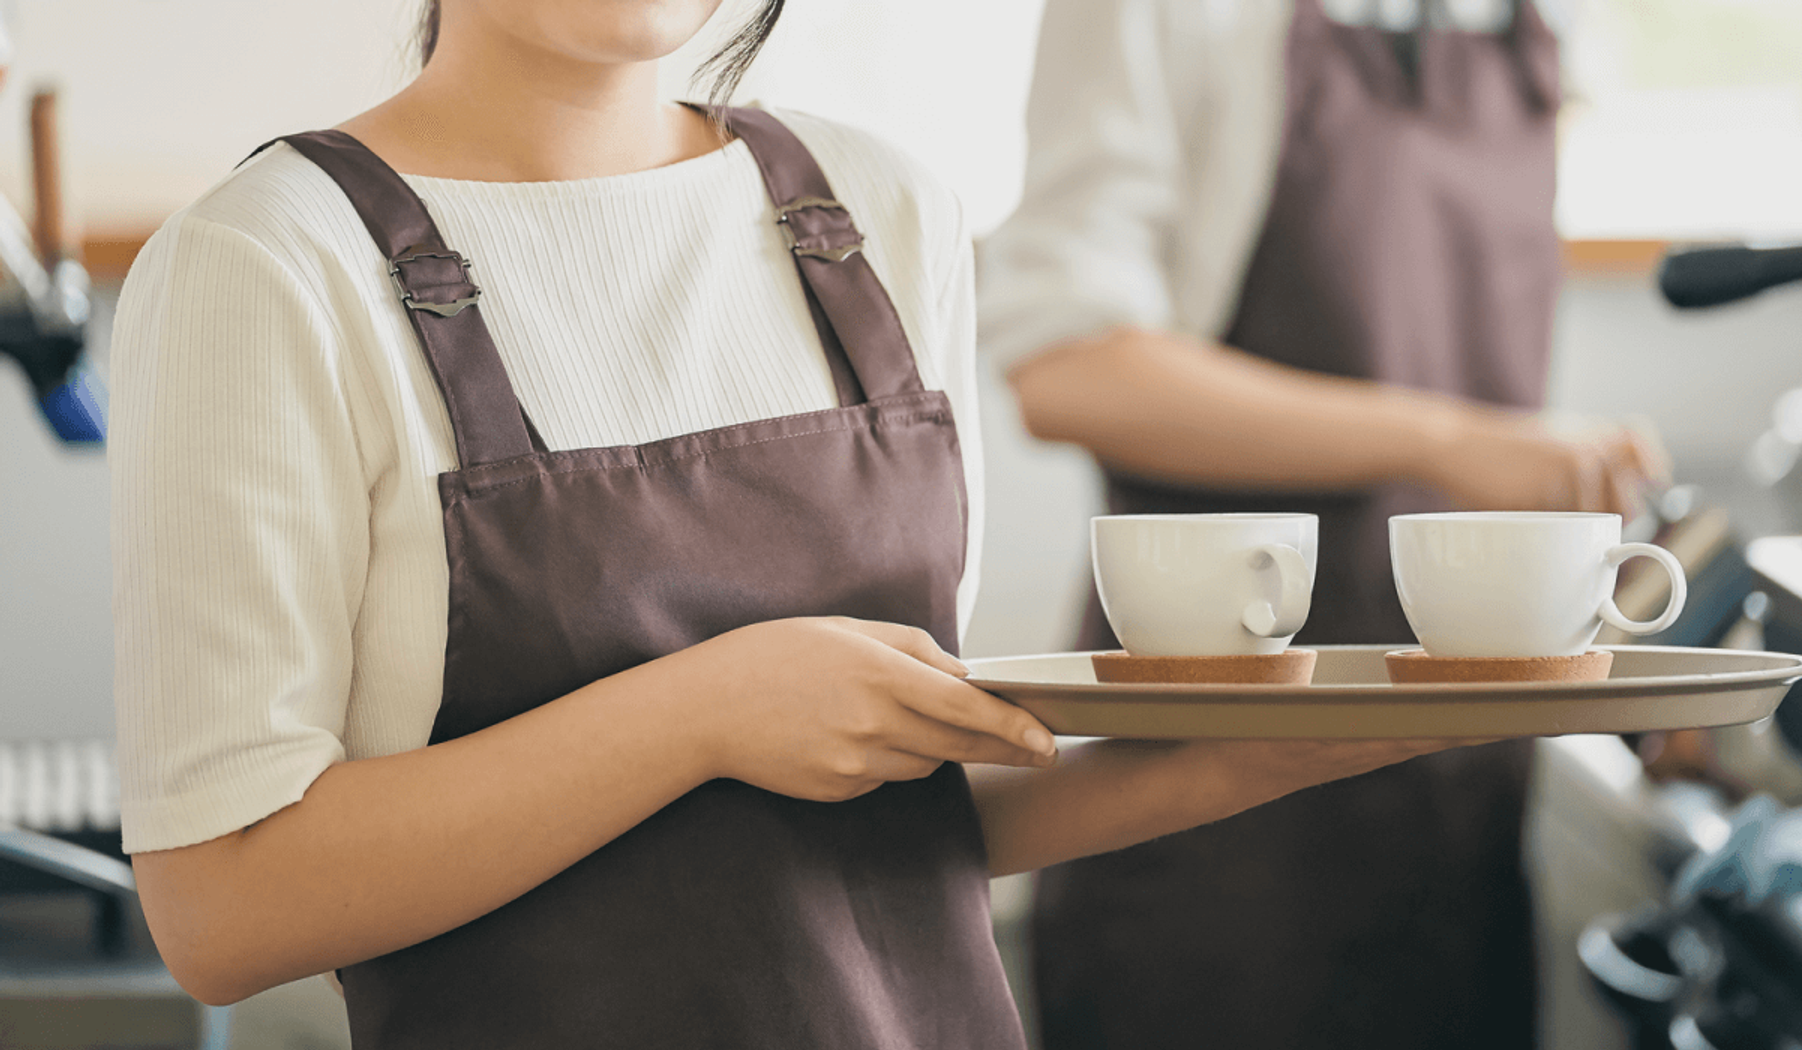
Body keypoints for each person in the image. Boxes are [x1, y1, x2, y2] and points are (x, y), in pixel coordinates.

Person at [109, 2, 1482, 1047]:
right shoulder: (268, 266)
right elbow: (224, 905)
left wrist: (1255, 755)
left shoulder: (879, 216)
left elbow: (885, 807)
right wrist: (701, 711)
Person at [976, 0, 1666, 1047]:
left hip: (1456, 798)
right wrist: (1443, 439)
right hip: (1214, 824)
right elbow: (1072, 370)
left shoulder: (1529, 22)